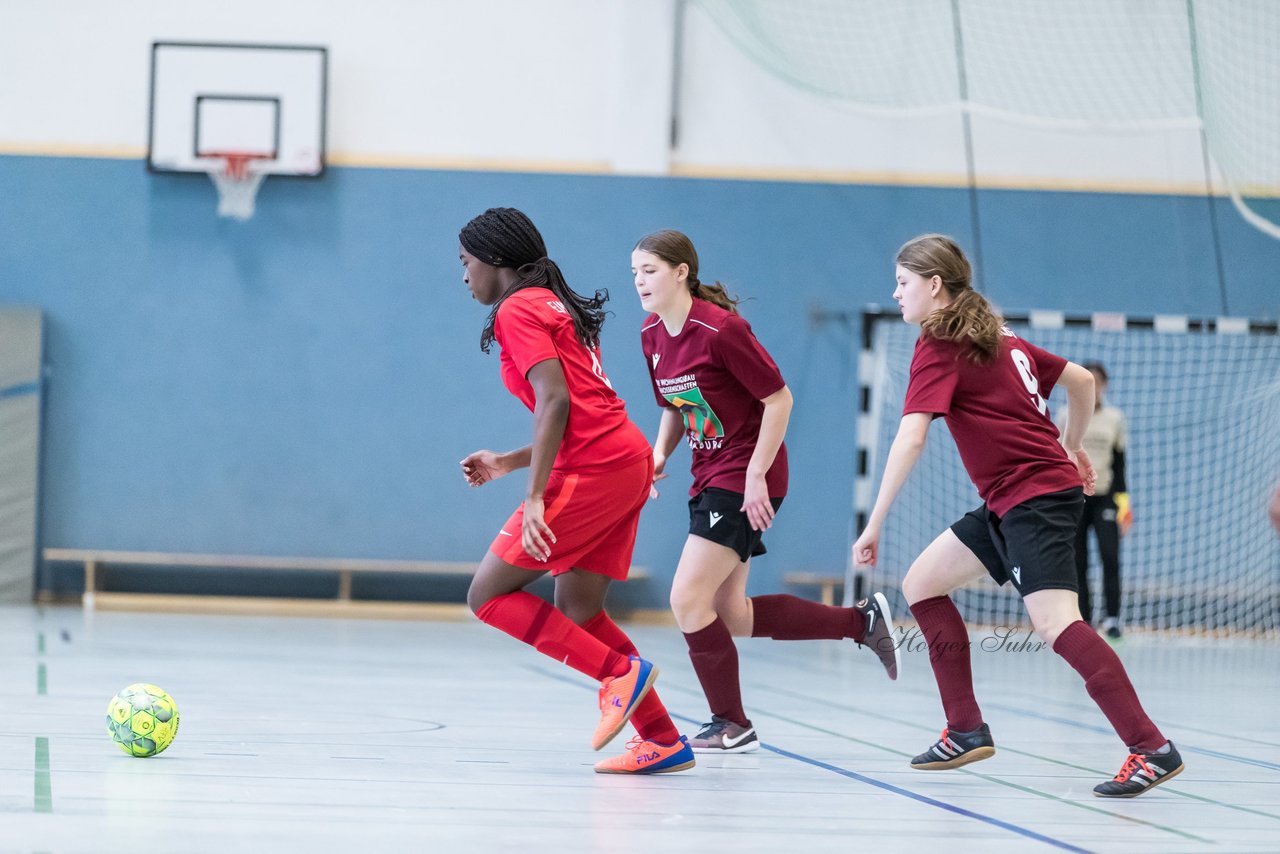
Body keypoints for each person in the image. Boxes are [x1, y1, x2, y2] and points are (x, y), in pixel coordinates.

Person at [852, 234, 1182, 798]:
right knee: (922, 584)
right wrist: (1073, 444)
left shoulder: (940, 344)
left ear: (935, 286)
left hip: (1035, 498)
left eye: (903, 282)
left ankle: (1150, 747)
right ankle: (964, 728)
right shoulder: (999, 337)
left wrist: (875, 519)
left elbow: (911, 438)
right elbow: (1080, 381)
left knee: (1056, 624)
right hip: (1014, 498)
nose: (896, 292)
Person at [633, 229, 899, 754]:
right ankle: (860, 620)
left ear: (682, 271)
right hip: (708, 474)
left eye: (650, 270)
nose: (639, 281)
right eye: (635, 272)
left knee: (686, 598)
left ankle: (731, 721)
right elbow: (672, 405)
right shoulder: (651, 335)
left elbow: (779, 400)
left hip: (745, 476)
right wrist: (659, 454)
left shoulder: (722, 331)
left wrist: (755, 474)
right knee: (732, 613)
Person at [457, 208, 694, 775]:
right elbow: (574, 409)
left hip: (594, 470)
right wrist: (511, 463)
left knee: (487, 595)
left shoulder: (517, 308)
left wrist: (535, 496)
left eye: (465, 263)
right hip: (623, 460)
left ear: (494, 260)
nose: (463, 276)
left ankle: (619, 675)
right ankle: (661, 738)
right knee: (581, 611)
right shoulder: (550, 302)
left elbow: (557, 402)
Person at [1058, 361, 1131, 639]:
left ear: (1104, 385)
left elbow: (1120, 464)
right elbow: (1058, 455)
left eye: (1099, 382)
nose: (1095, 388)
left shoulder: (1115, 418)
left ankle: (1112, 618)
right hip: (1075, 498)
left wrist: (1124, 506)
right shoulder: (1066, 415)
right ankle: (1083, 619)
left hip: (1105, 499)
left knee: (1110, 556)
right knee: (1078, 560)